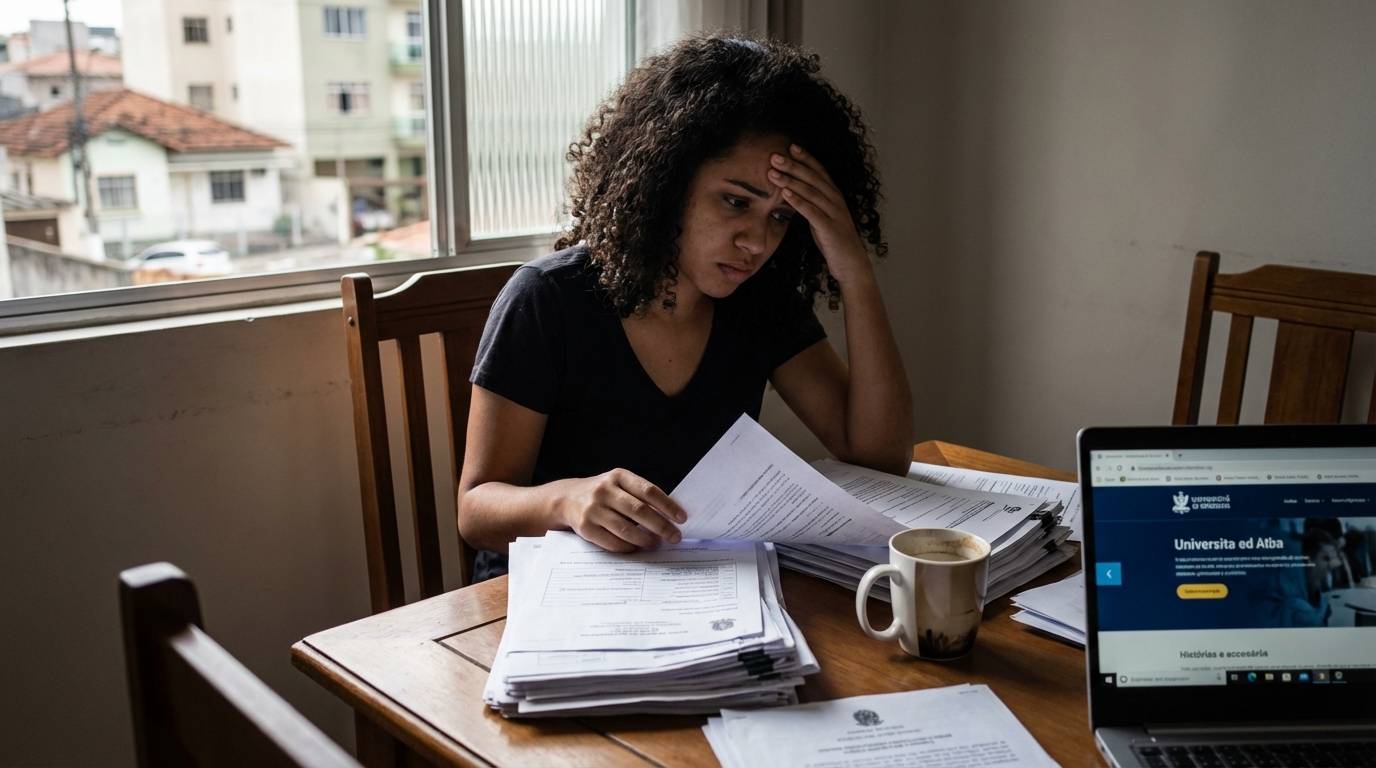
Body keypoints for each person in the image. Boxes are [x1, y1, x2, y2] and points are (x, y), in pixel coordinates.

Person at [456, 35, 912, 581]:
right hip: (546, 593)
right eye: (736, 202)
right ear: (666, 182)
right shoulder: (547, 300)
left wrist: (854, 273)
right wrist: (566, 501)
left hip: (689, 587)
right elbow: (476, 510)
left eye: (782, 217)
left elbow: (878, 456)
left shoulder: (759, 301)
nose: (757, 241)